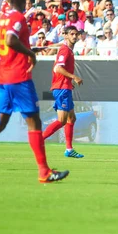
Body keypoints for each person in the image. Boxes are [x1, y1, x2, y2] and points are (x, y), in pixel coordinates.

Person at [0, 0, 69, 183]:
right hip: (19, 77)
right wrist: (30, 54)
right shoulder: (19, 18)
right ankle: (44, 171)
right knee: (34, 122)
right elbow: (10, 40)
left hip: (1, 77)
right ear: (22, 0)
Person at [41, 26, 85, 158]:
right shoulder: (65, 50)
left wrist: (69, 80)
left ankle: (69, 149)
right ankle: (39, 140)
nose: (74, 36)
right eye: (72, 34)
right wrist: (74, 77)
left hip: (65, 87)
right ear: (65, 35)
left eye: (76, 34)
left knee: (72, 118)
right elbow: (58, 68)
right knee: (62, 120)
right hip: (61, 88)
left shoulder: (69, 50)